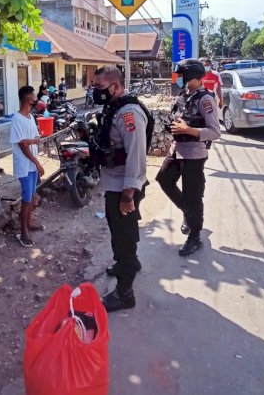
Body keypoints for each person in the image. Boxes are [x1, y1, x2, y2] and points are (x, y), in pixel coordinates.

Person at [89, 66, 152, 312]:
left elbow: (136, 156)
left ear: (115, 86)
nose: (96, 92)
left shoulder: (129, 113)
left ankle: (125, 293)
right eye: (94, 87)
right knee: (122, 231)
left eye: (100, 88)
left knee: (123, 238)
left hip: (125, 187)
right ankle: (130, 263)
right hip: (115, 182)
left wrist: (128, 195)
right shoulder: (113, 107)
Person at [157, 59, 221, 257]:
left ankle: (195, 236)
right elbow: (177, 118)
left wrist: (189, 130)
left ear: (193, 75)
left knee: (194, 195)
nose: (180, 79)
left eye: (182, 75)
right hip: (177, 149)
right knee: (164, 179)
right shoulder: (184, 96)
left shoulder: (206, 99)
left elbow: (215, 132)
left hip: (194, 154)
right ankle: (188, 211)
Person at [10, 86, 46, 247]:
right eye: (33, 95)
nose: (35, 97)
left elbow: (34, 137)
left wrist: (35, 139)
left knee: (31, 196)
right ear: (26, 98)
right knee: (26, 198)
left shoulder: (31, 117)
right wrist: (38, 163)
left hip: (32, 163)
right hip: (25, 164)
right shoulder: (17, 119)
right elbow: (23, 145)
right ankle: (23, 231)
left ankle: (29, 223)